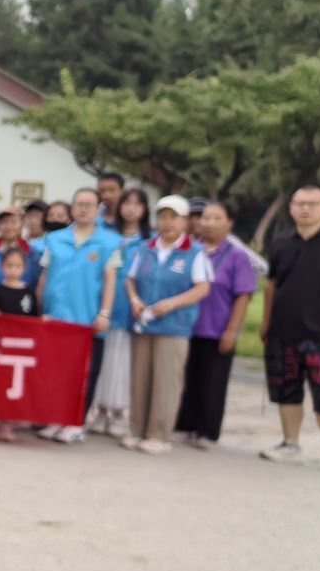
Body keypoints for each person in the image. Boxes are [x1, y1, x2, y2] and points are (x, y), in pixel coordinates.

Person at [122, 195, 212, 455]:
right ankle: (136, 430)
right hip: (144, 324)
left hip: (174, 327)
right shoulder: (146, 248)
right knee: (140, 380)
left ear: (185, 221)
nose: (167, 223)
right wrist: (134, 299)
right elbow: (130, 279)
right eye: (162, 217)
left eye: (173, 217)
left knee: (166, 382)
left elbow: (202, 288)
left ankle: (159, 435)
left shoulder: (194, 252)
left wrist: (172, 303)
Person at [36, 188, 121, 444]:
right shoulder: (55, 239)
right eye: (79, 204)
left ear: (98, 210)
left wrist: (104, 313)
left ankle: (75, 422)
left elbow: (110, 280)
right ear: (72, 208)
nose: (83, 208)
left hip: (87, 320)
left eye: (89, 204)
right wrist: (41, 310)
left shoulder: (109, 242)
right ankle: (54, 418)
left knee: (84, 374)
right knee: (55, 372)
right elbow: (44, 277)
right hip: (56, 318)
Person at [259, 185, 320, 472]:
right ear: (291, 208)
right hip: (284, 332)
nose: (305, 209)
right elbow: (271, 286)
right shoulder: (281, 242)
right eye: (300, 203)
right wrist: (266, 322)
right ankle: (291, 443)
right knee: (286, 390)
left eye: (312, 204)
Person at [173, 201, 256, 448]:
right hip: (187, 327)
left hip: (217, 329)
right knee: (187, 379)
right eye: (206, 218)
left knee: (213, 383)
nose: (209, 223)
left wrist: (232, 330)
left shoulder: (236, 255)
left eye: (217, 218)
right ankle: (184, 425)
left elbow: (243, 295)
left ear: (229, 223)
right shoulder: (192, 250)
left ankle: (207, 432)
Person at [88, 188, 151, 437]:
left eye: (138, 204)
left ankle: (117, 413)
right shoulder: (106, 237)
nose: (131, 208)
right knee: (102, 365)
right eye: (127, 203)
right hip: (105, 310)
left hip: (130, 312)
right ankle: (99, 410)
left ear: (144, 210)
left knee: (123, 366)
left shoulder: (149, 242)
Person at [0, 247, 40, 442]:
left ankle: (8, 423)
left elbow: (34, 319)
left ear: (24, 268)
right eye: (9, 265)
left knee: (14, 386)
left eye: (17, 266)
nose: (13, 270)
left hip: (19, 349)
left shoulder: (28, 292)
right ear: (2, 267)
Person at [0, 207, 41, 298]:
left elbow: (36, 284)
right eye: (4, 222)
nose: (9, 226)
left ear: (22, 224)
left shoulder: (31, 253)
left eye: (13, 222)